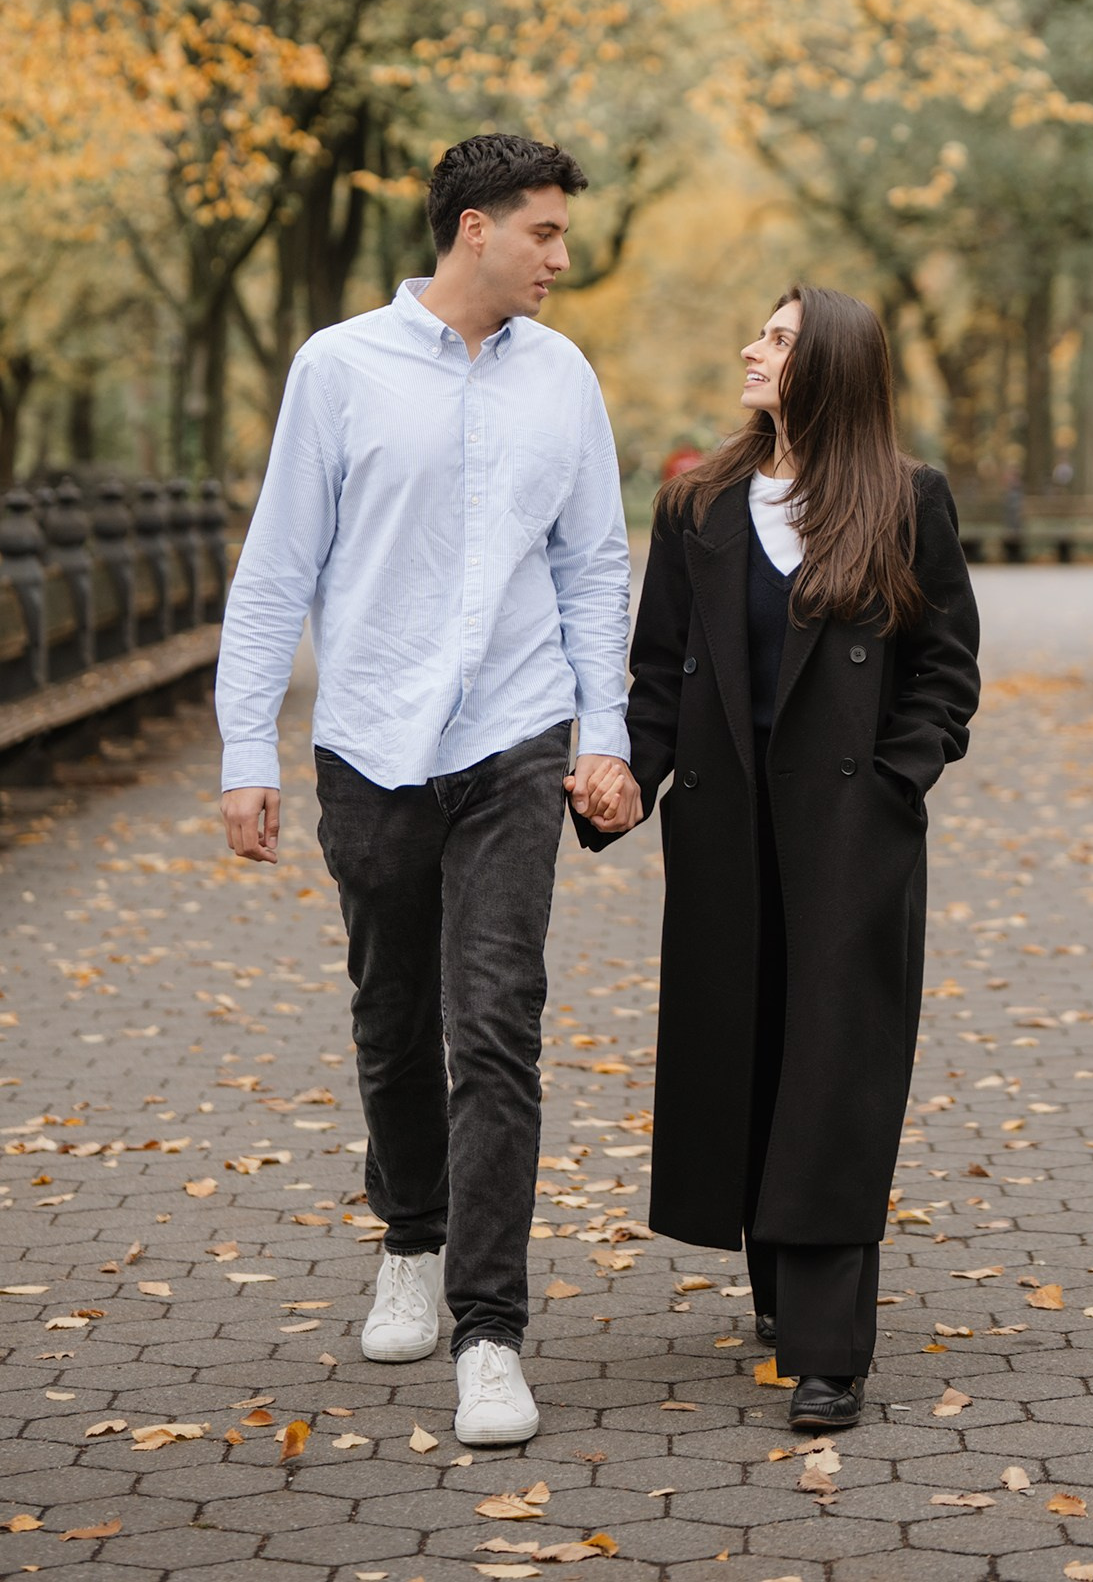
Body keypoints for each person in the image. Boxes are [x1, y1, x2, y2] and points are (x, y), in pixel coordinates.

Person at [213, 132, 641, 1449]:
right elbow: (282, 564)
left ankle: (490, 1332)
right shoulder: (338, 369)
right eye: (546, 233)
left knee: (497, 1017)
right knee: (393, 1010)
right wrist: (246, 749)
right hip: (372, 745)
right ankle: (410, 1230)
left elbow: (592, 567)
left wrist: (605, 734)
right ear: (473, 228)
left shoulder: (565, 380)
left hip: (517, 739)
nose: (564, 256)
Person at [582, 285, 981, 1433]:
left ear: (833, 370)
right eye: (755, 331)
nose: (750, 350)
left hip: (848, 834)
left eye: (778, 340)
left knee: (834, 1068)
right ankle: (776, 1282)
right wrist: (620, 785)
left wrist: (894, 782)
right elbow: (659, 675)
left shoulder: (906, 501)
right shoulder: (697, 503)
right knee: (746, 1050)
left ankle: (826, 1349)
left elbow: (944, 669)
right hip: (723, 828)